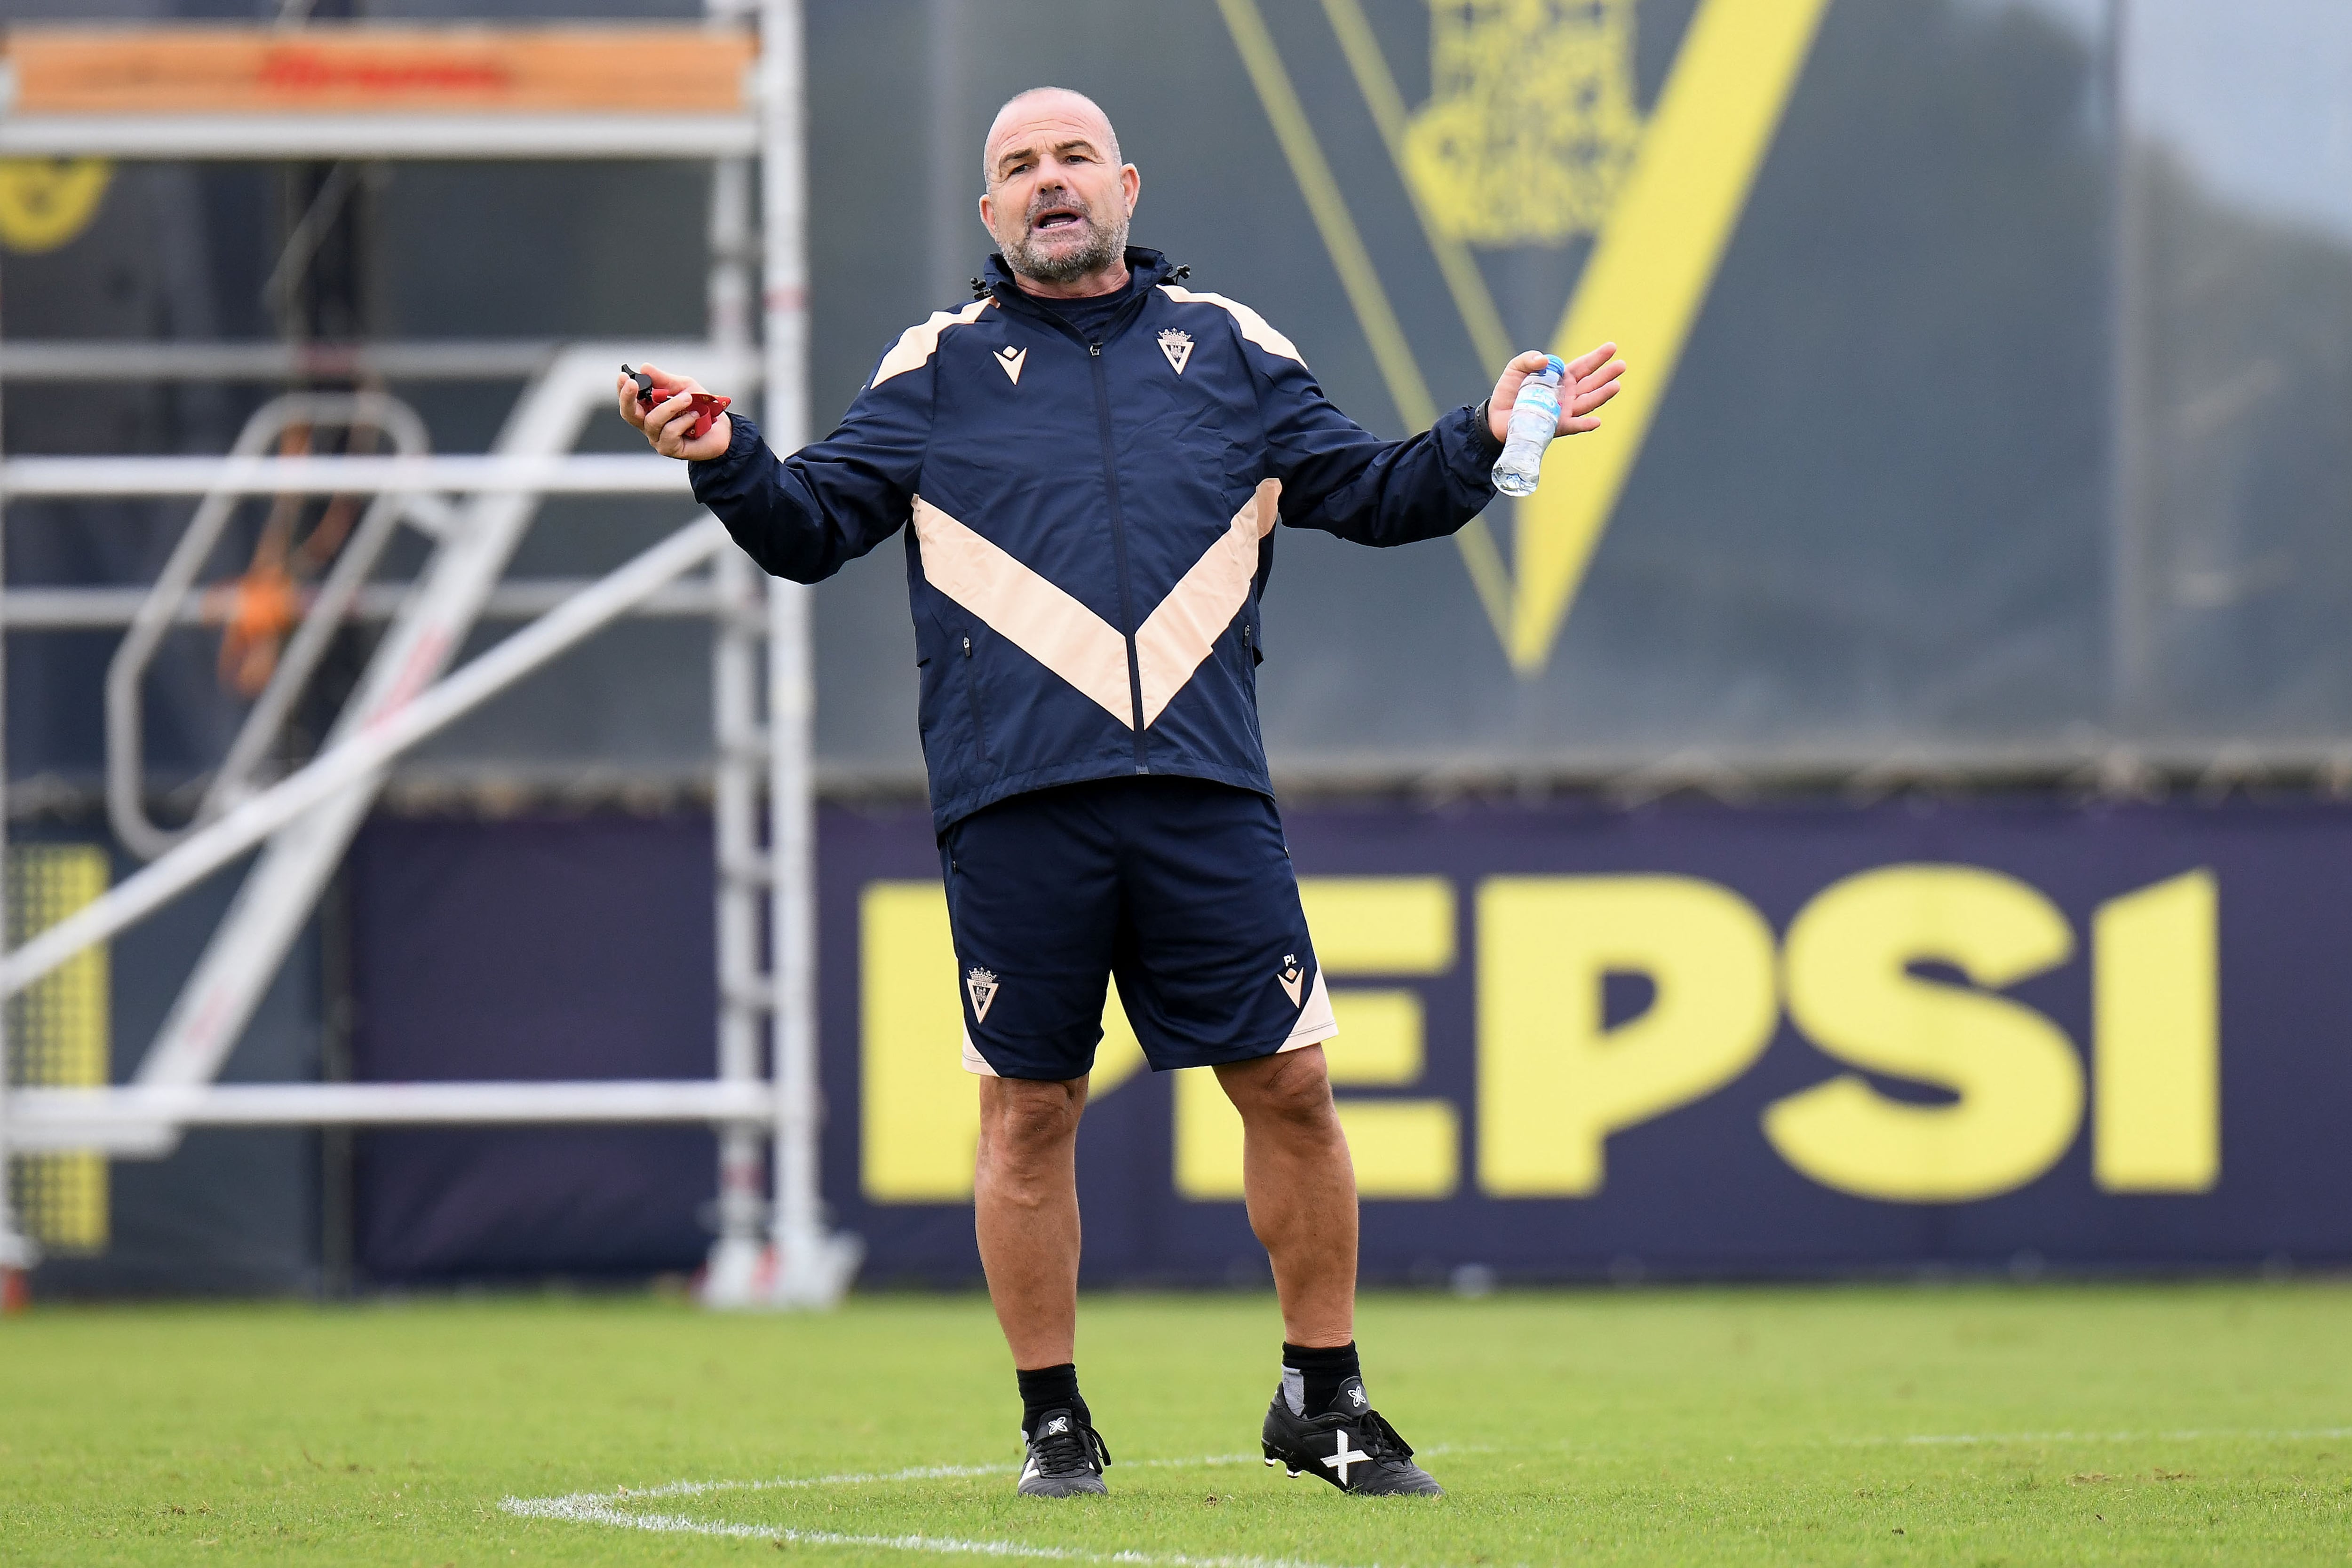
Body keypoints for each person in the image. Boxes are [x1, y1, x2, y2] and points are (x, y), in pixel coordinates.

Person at [622, 86, 1625, 1500]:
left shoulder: (1232, 350)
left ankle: (1323, 1401)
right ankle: (1053, 1420)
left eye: (1072, 158)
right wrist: (725, 459)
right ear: (990, 214)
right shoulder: (933, 368)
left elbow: (1376, 490)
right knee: (1030, 1115)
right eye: (1018, 166)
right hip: (1016, 797)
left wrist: (1480, 432)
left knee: (1291, 1087)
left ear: (1127, 185)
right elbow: (811, 528)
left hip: (1204, 793)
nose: (1049, 182)